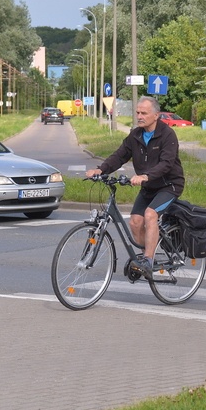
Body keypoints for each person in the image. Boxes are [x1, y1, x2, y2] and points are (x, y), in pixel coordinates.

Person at [86, 96, 185, 276]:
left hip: (169, 185)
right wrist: (100, 170)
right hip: (148, 187)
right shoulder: (136, 134)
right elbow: (120, 155)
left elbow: (167, 163)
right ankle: (146, 256)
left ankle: (148, 259)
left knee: (150, 214)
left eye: (144, 113)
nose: (139, 116)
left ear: (156, 115)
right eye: (138, 112)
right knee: (135, 222)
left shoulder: (167, 134)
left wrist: (146, 176)